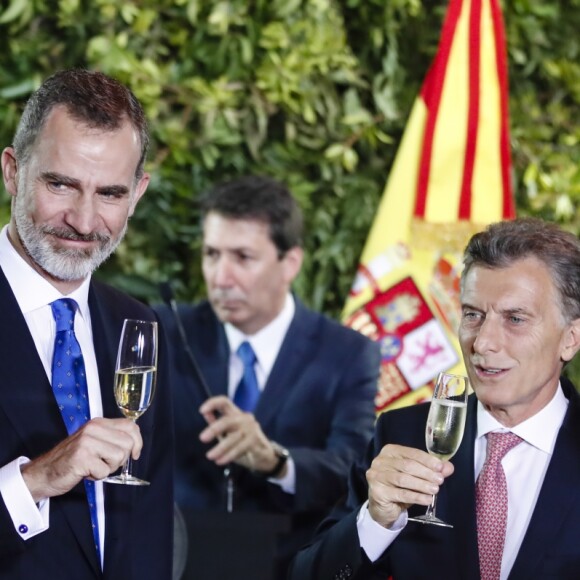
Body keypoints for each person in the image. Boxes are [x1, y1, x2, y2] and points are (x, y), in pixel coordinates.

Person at [289, 217, 580, 580]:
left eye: (515, 319)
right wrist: (376, 520)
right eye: (473, 315)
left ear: (571, 337)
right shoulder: (403, 434)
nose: (483, 342)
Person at [155, 175, 381, 578]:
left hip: (288, 566)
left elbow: (353, 470)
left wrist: (276, 461)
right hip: (174, 560)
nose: (220, 277)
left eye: (242, 257)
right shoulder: (165, 330)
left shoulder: (347, 353)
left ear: (289, 263)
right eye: (211, 254)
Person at [0, 69, 173, 578]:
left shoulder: (138, 326)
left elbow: (149, 536)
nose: (83, 219)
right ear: (13, 171)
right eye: (60, 184)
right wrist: (33, 481)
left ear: (137, 194)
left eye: (111, 194)